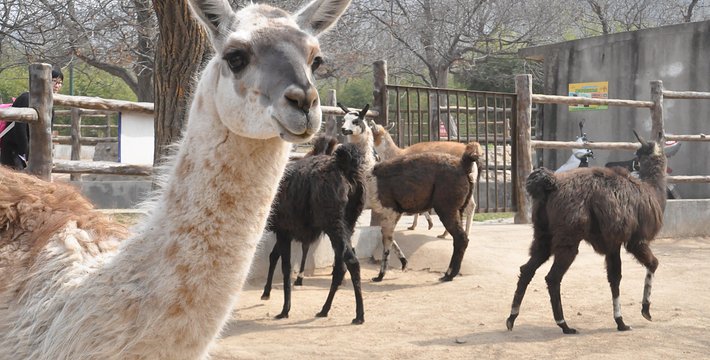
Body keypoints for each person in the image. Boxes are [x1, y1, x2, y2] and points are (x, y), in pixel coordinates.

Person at [0, 65, 63, 170]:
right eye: (54, 81)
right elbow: (19, 129)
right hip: (14, 151)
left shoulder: (49, 103)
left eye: (60, 83)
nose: (57, 86)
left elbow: (47, 132)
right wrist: (26, 153)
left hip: (31, 154)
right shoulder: (26, 98)